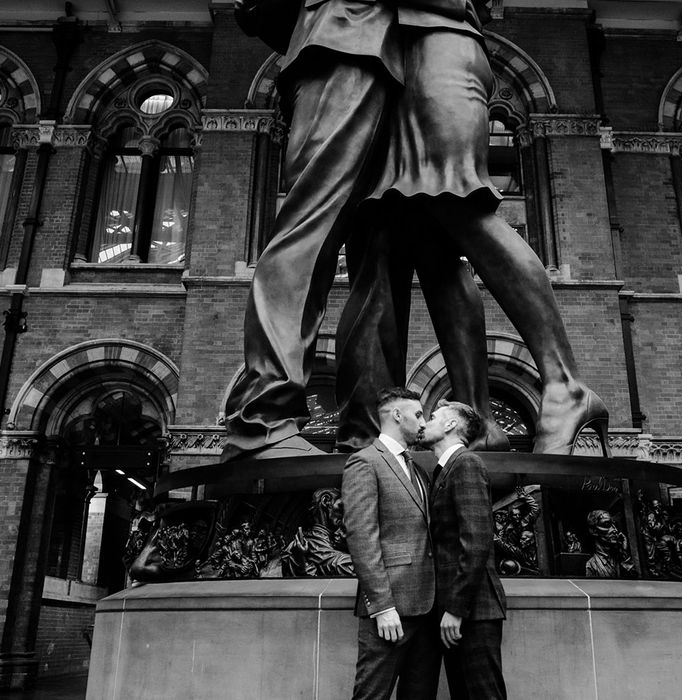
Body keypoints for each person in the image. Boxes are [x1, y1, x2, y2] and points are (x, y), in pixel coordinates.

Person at [226, 0, 508, 462]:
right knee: (309, 227)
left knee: (378, 244)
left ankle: (364, 433)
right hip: (345, 39)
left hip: (393, 58)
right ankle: (262, 419)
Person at [337, 0, 610, 457]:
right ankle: (479, 420)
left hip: (438, 40)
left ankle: (567, 385)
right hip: (397, 54)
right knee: (425, 240)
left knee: (457, 202)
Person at [341, 387, 440, 699]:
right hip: (390, 612)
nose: (423, 422)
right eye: (418, 414)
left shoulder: (417, 469)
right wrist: (382, 605)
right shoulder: (365, 462)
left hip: (427, 609)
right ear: (397, 415)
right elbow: (361, 537)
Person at [421, 399, 507, 700]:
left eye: (432, 417)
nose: (424, 423)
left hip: (473, 612)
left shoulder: (467, 464)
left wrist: (455, 609)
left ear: (450, 425)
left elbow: (476, 541)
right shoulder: (444, 470)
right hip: (456, 611)